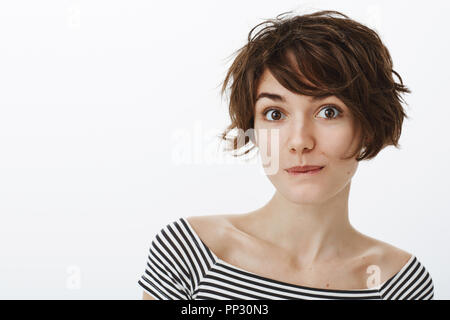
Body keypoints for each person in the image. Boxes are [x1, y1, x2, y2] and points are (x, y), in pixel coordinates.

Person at [138, 9, 434, 300]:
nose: (299, 142)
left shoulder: (398, 283)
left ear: (368, 125)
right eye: (275, 113)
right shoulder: (191, 252)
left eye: (328, 112)